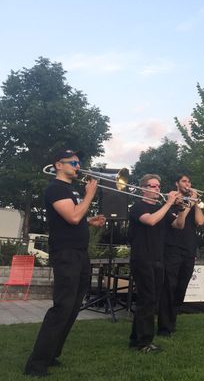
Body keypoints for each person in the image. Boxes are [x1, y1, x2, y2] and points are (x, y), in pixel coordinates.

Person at [25, 149, 106, 377]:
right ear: (58, 165)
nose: (77, 166)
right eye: (73, 162)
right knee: (62, 308)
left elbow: (74, 218)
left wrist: (90, 220)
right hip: (66, 255)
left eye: (79, 162)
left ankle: (52, 355)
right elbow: (72, 217)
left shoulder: (71, 189)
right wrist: (90, 194)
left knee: (72, 308)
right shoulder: (55, 189)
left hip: (79, 254)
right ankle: (36, 364)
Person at [128, 174, 184, 352]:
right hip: (143, 258)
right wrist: (168, 203)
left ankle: (136, 338)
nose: (158, 189)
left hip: (158, 259)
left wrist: (184, 208)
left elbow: (178, 226)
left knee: (151, 300)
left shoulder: (162, 208)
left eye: (159, 186)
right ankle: (144, 342)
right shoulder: (137, 207)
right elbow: (150, 220)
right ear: (144, 188)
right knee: (147, 300)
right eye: (153, 186)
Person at [158, 174, 204, 337]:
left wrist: (196, 203)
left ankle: (172, 321)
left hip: (189, 250)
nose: (188, 184)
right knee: (169, 287)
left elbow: (200, 222)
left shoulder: (192, 203)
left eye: (189, 181)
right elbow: (179, 224)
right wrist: (189, 204)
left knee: (180, 288)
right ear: (177, 183)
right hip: (172, 248)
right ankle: (164, 327)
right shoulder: (171, 199)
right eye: (184, 181)